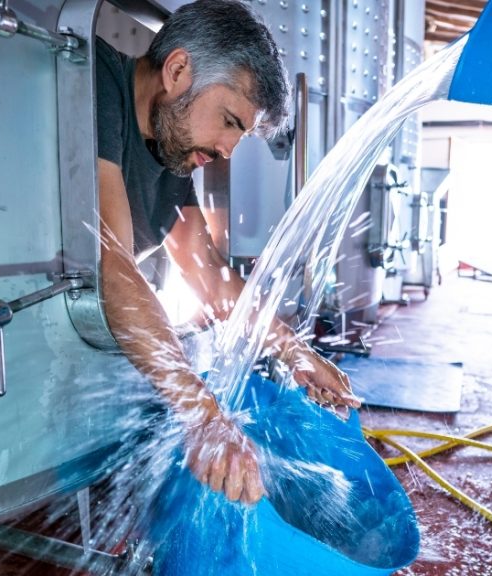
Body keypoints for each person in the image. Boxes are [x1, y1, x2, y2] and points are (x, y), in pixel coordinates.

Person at [93, 0, 361, 506]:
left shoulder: (169, 150)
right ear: (177, 70)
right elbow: (114, 262)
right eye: (230, 120)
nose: (228, 151)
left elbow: (210, 275)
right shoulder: (95, 82)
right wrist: (203, 416)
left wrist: (296, 351)